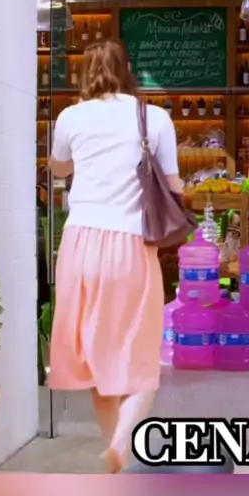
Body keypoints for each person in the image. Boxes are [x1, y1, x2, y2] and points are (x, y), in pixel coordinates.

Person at [48, 40, 181, 473]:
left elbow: (58, 168)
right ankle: (122, 444)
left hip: (80, 245)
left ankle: (115, 457)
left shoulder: (71, 117)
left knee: (95, 357)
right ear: (128, 69)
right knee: (140, 358)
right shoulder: (153, 117)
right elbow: (174, 187)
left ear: (85, 73)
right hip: (131, 246)